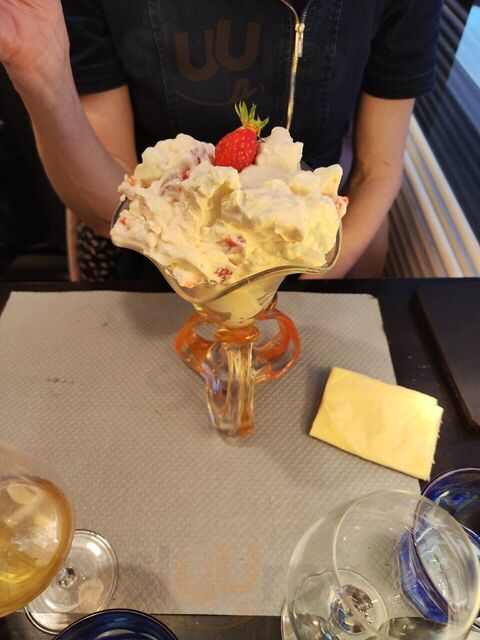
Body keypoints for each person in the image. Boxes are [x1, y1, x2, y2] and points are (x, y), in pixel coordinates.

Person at [0, 0, 441, 280]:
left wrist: (311, 277)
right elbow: (113, 197)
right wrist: (41, 74)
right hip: (167, 252)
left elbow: (378, 169)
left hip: (319, 254)